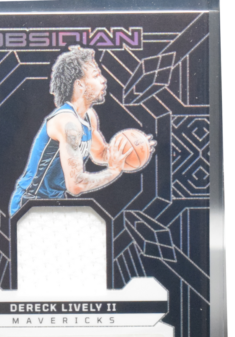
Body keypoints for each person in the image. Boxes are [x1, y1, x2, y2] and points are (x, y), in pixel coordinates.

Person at [9, 46, 153, 216]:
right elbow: (76, 185)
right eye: (96, 75)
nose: (103, 80)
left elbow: (100, 153)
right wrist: (113, 172)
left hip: (54, 200)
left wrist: (129, 150)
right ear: (80, 85)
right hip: (29, 202)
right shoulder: (68, 123)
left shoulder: (89, 116)